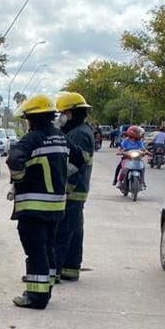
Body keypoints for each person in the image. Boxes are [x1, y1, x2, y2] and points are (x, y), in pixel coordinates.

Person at [7, 94, 82, 309]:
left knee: (35, 251)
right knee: (48, 249)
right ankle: (44, 290)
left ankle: (36, 298)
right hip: (57, 206)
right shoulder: (61, 138)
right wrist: (63, 183)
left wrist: (21, 180)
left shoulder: (31, 139)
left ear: (31, 119)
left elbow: (14, 160)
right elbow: (80, 159)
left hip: (33, 207)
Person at [54, 92, 94, 283]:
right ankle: (70, 269)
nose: (60, 116)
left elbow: (75, 166)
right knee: (74, 231)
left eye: (62, 112)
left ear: (71, 113)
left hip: (73, 192)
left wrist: (65, 189)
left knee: (63, 233)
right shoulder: (80, 130)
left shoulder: (78, 134)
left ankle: (56, 270)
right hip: (77, 191)